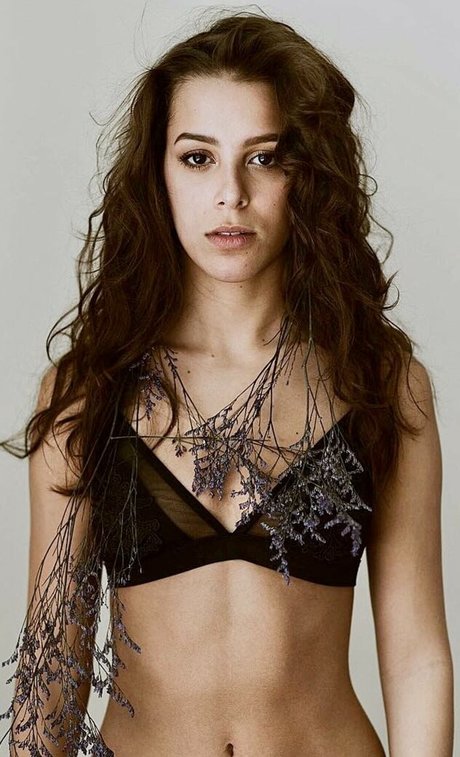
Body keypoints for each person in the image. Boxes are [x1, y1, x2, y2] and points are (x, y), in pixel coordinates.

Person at [0, 9, 454, 757]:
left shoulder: (380, 382)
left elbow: (417, 657)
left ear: (307, 174)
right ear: (158, 174)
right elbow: (52, 675)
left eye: (265, 157)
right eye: (198, 158)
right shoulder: (86, 393)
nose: (231, 195)